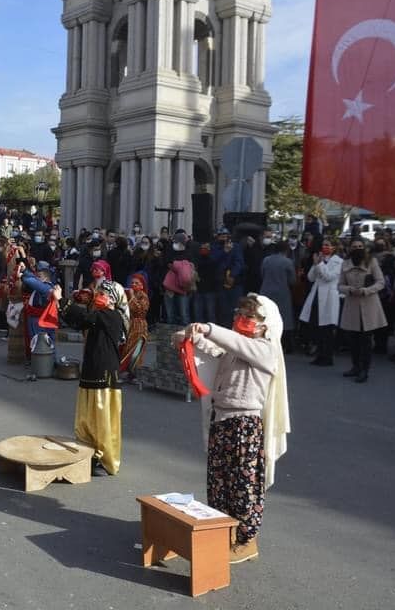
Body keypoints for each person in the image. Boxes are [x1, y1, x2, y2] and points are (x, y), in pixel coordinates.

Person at [177, 294, 289, 564]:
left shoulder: (265, 349)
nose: (242, 320)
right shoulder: (236, 347)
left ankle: (247, 540)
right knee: (219, 482)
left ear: (266, 324)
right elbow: (213, 350)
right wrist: (189, 336)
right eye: (241, 314)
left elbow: (232, 341)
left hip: (244, 424)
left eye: (250, 317)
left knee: (244, 486)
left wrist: (210, 328)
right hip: (222, 420)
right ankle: (222, 531)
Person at [55, 281, 126, 475]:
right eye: (99, 293)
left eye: (103, 294)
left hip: (104, 372)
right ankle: (89, 451)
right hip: (92, 369)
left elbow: (83, 316)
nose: (99, 296)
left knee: (101, 418)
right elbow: (80, 321)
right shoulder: (100, 315)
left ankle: (105, 456)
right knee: (88, 416)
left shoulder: (111, 316)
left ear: (113, 298)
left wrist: (62, 300)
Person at [338, 239, 386, 383]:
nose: (357, 248)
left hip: (369, 304)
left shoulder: (372, 262)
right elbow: (339, 285)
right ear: (350, 248)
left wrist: (367, 290)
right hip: (352, 304)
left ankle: (364, 370)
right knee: (353, 339)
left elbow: (381, 282)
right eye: (354, 246)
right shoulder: (345, 264)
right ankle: (355, 366)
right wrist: (349, 290)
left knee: (366, 340)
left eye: (360, 246)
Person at [299, 238, 343, 366]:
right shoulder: (319, 260)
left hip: (329, 297)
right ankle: (319, 355)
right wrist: (315, 264)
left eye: (328, 245)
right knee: (317, 327)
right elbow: (310, 278)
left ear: (334, 247)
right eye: (323, 244)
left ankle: (327, 357)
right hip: (316, 295)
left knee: (327, 329)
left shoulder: (338, 262)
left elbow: (329, 277)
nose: (325, 247)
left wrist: (319, 264)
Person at [260, 240, 297, 353]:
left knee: (266, 317)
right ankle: (286, 345)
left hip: (266, 292)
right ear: (286, 250)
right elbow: (292, 281)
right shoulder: (288, 262)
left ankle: (265, 343)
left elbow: (262, 274)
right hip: (282, 293)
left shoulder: (266, 260)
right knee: (284, 319)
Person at [21, 261, 58, 363]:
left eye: (39, 274)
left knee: (42, 342)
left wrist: (24, 274)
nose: (36, 276)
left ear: (45, 276)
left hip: (40, 319)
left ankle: (48, 363)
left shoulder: (46, 287)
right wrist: (24, 270)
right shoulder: (44, 284)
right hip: (37, 318)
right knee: (38, 342)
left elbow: (30, 280)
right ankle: (42, 363)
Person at [119, 273, 150, 379]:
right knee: (126, 347)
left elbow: (140, 310)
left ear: (142, 286)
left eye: (137, 283)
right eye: (132, 282)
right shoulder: (129, 295)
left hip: (139, 325)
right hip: (129, 323)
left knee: (136, 349)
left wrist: (131, 297)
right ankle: (128, 371)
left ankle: (134, 372)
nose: (133, 285)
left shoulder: (143, 296)